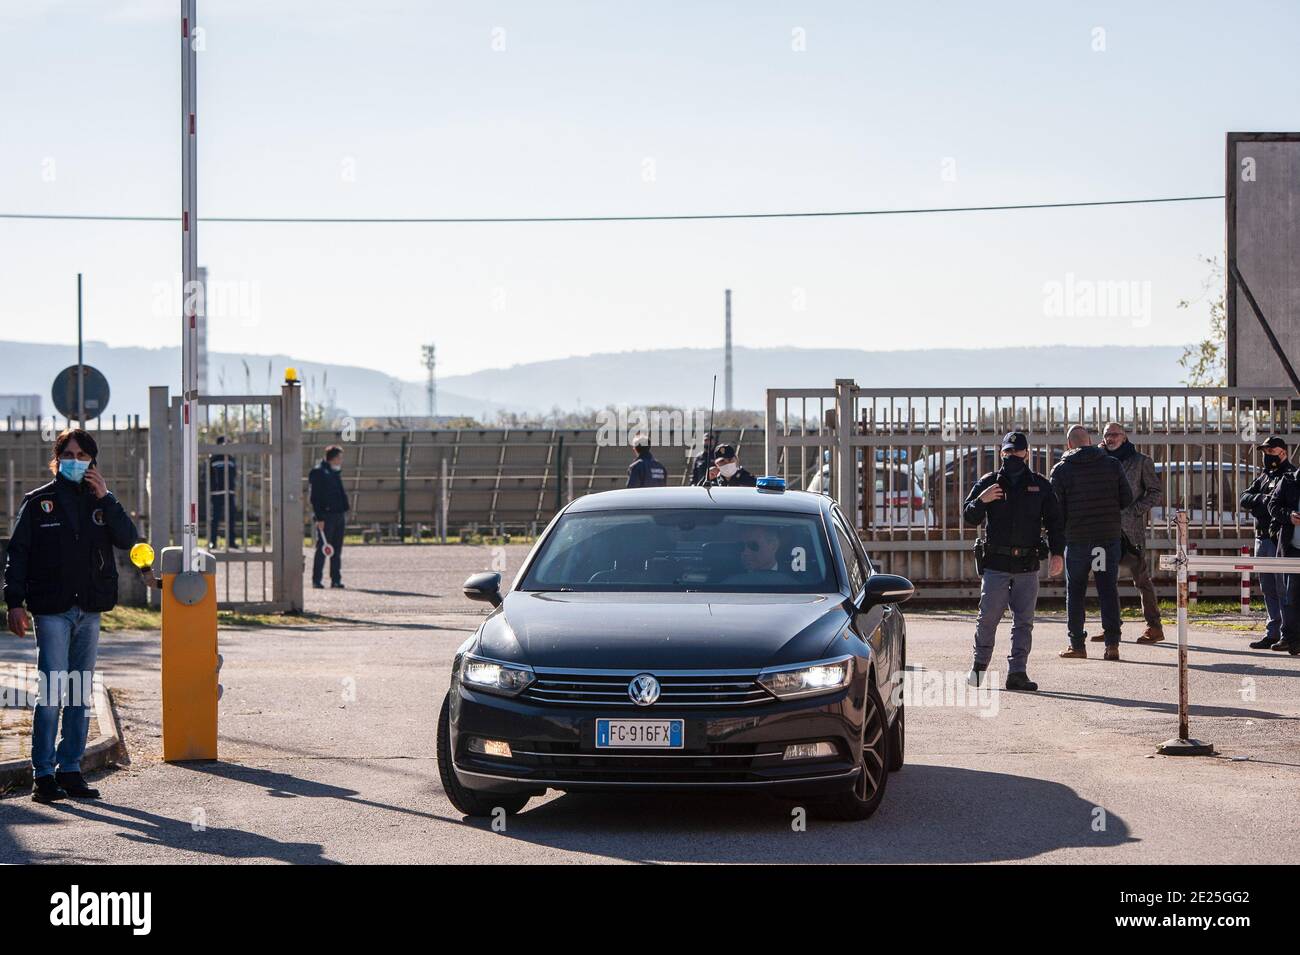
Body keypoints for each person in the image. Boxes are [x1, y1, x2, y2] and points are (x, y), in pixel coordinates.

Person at [3, 428, 138, 804]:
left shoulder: (100, 502)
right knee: (52, 692)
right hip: (52, 611)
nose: (75, 461)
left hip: (89, 611)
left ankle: (70, 769)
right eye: (69, 454)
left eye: (83, 456)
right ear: (57, 458)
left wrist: (107, 497)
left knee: (79, 693)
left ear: (93, 462)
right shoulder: (38, 502)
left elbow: (130, 540)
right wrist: (14, 602)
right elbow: (17, 554)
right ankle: (43, 774)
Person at [961, 432, 1064, 691]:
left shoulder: (1040, 485)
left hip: (1027, 566)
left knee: (1024, 622)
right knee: (988, 618)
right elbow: (968, 517)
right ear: (1001, 453)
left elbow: (1055, 522)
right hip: (996, 564)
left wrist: (1057, 553)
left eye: (1018, 453)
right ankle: (979, 667)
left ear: (1027, 454)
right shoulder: (990, 483)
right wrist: (981, 501)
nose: (1013, 457)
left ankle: (1017, 672)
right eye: (1008, 453)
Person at [1050, 424, 1133, 660]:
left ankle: (1077, 645)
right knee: (1108, 591)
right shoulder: (1112, 465)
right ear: (1090, 441)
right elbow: (1126, 499)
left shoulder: (1061, 470)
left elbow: (1057, 512)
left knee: (1075, 593)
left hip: (1077, 541)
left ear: (1069, 445)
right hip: (1106, 539)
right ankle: (1112, 645)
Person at [1100, 422, 1164, 644]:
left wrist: (1135, 510)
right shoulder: (1100, 461)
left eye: (1115, 434)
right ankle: (1111, 626)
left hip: (1131, 531)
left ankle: (1154, 626)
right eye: (1107, 434)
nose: (1110, 438)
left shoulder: (1140, 462)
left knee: (1141, 579)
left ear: (1124, 437)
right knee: (1105, 579)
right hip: (1104, 529)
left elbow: (1155, 492)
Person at [1240, 437, 1295, 650]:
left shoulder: (1290, 476)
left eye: (1271, 449)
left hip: (1277, 538)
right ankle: (1272, 632)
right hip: (1261, 538)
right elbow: (1245, 498)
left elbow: (1279, 506)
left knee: (1283, 589)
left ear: (1283, 452)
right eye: (1265, 450)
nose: (1267, 453)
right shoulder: (1265, 476)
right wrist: (1262, 500)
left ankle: (1286, 634)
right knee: (1267, 587)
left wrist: (1264, 503)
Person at [1265, 463, 1300, 655]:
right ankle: (1290, 638)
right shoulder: (1289, 480)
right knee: (1290, 595)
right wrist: (1289, 516)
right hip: (1293, 548)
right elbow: (1273, 505)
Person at [309, 445, 349, 589]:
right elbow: (315, 497)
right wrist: (319, 518)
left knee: (336, 549)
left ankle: (336, 579)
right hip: (326, 515)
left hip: (338, 514)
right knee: (323, 547)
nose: (341, 460)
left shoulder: (334, 472)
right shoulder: (319, 472)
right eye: (339, 457)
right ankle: (316, 579)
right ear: (332, 458)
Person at [207, 434, 240, 550]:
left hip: (229, 492)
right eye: (225, 443)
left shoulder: (231, 459)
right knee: (215, 518)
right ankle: (213, 542)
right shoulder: (213, 459)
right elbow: (206, 475)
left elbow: (234, 474)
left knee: (231, 518)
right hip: (217, 493)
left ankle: (231, 541)